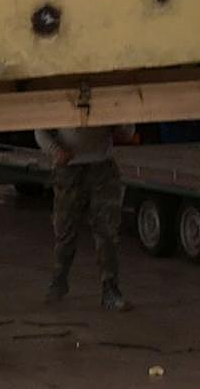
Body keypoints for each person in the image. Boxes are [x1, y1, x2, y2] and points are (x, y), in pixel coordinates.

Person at [34, 124, 134, 311]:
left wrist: (122, 129)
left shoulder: (106, 95)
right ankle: (59, 281)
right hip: (69, 168)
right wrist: (56, 151)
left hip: (102, 166)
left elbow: (127, 129)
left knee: (107, 231)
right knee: (65, 231)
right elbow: (40, 128)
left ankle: (110, 289)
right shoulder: (61, 97)